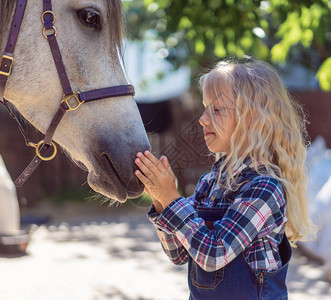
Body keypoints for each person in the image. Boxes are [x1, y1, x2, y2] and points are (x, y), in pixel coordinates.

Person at [134, 59, 314, 300]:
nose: (203, 119)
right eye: (205, 108)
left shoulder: (264, 187)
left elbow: (214, 253)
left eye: (217, 110)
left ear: (252, 119)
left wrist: (172, 200)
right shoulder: (209, 184)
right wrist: (161, 201)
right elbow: (178, 254)